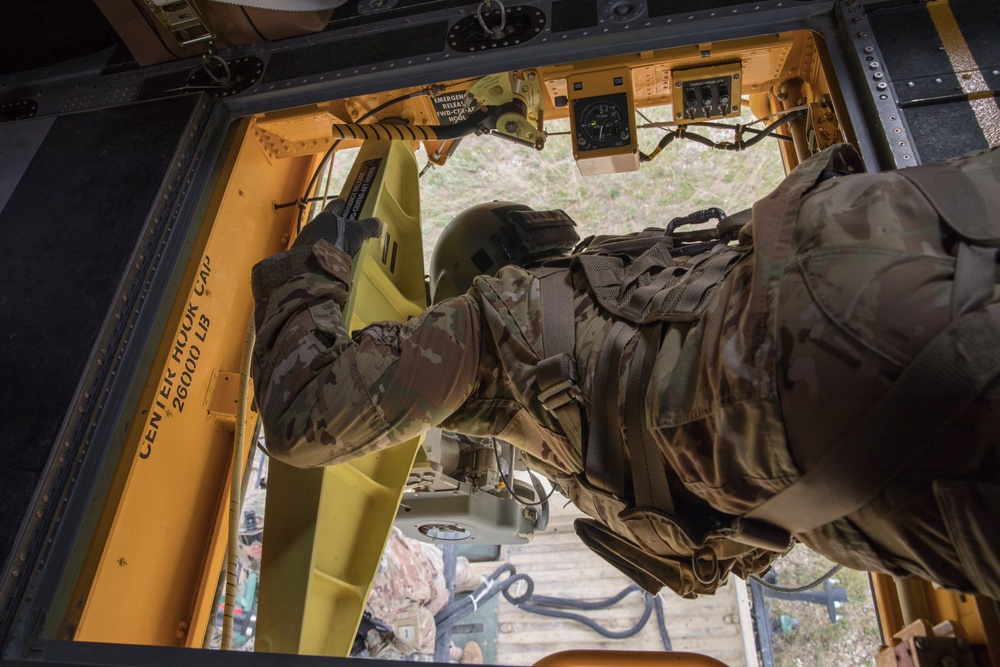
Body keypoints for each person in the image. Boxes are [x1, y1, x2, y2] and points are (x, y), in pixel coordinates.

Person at [250, 144, 1000, 600]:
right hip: (887, 225)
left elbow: (302, 414)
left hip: (827, 428)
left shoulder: (491, 323)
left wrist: (311, 266)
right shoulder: (639, 268)